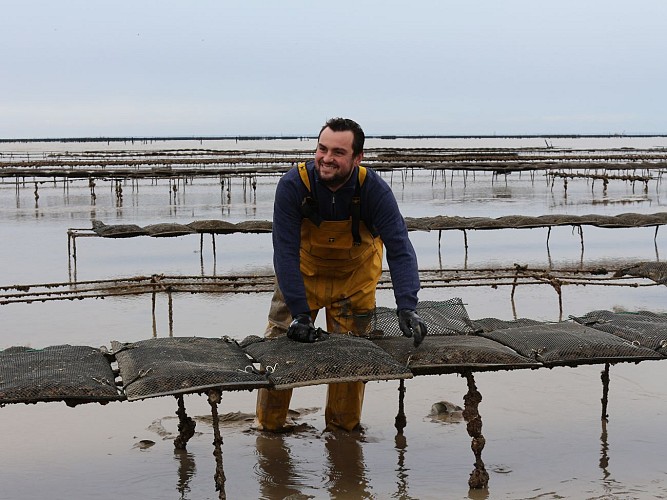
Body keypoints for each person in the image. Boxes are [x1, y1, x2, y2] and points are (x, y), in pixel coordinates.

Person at [255, 117, 427, 432]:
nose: (326, 158)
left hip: (355, 282)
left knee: (351, 358)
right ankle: (269, 429)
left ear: (357, 158)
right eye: (322, 148)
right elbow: (284, 251)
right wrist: (299, 314)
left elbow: (400, 248)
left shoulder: (373, 190)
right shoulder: (294, 185)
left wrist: (407, 304)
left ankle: (343, 433)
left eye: (337, 152)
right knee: (279, 350)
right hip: (301, 278)